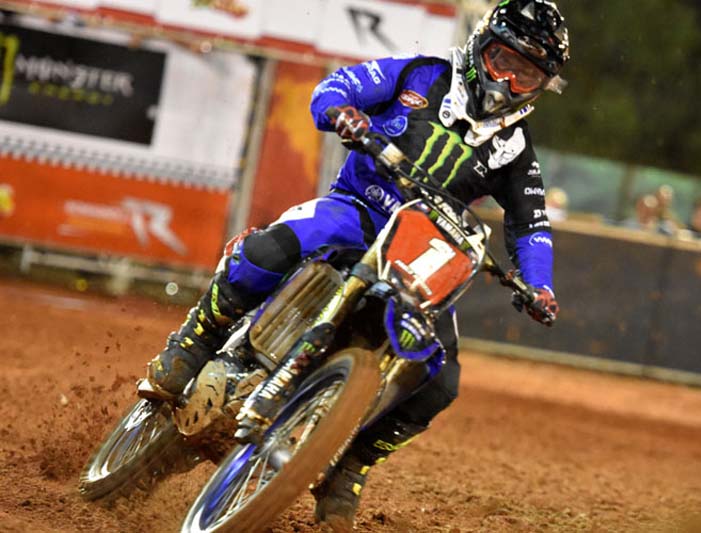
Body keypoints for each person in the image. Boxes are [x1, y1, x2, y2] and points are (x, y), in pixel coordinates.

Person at [143, 0, 569, 529]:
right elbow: (336, 87)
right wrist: (342, 112)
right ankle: (193, 343)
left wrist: (540, 285)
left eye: (525, 74)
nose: (507, 81)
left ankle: (350, 466)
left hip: (421, 251)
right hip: (358, 210)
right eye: (503, 61)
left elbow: (531, 226)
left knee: (440, 381)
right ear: (481, 47)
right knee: (271, 249)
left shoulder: (515, 151)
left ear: (541, 86)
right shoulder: (420, 74)